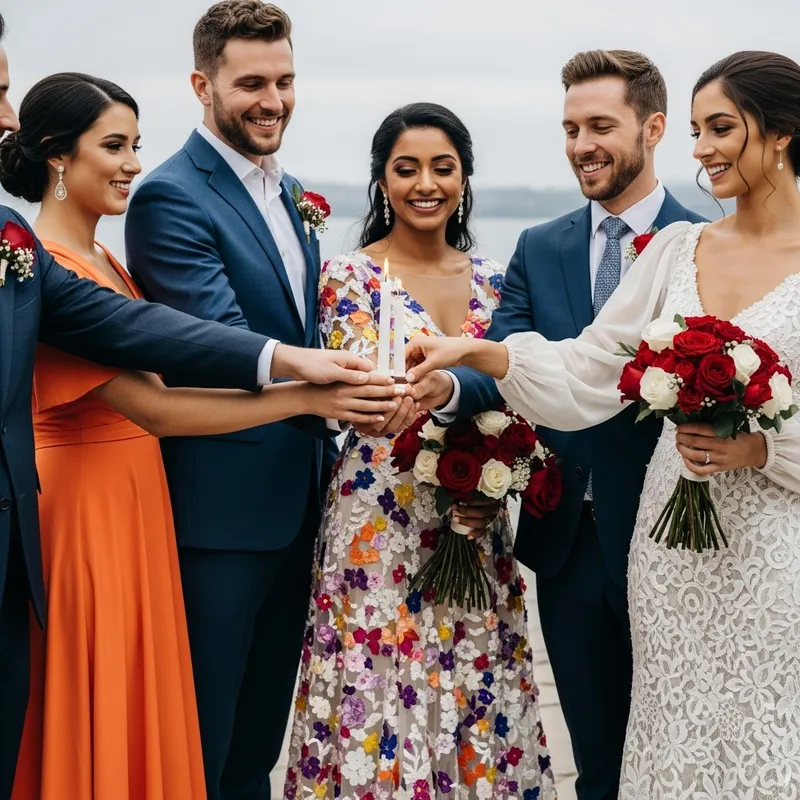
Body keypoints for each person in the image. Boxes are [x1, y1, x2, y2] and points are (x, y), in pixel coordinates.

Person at [0, 13, 389, 800]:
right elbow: (162, 399)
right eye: (114, 147)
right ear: (55, 159)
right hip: (94, 516)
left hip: (149, 507)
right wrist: (310, 388)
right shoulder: (50, 263)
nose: (133, 165)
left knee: (200, 737)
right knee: (115, 716)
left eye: (135, 146)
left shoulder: (107, 257)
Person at [404, 50, 800, 798]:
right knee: (665, 742)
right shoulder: (681, 250)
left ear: (781, 133)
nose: (703, 149)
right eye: (696, 130)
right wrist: (482, 352)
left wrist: (758, 446)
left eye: (721, 128)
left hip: (776, 558)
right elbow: (589, 371)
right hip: (668, 557)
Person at [124, 4, 414, 797]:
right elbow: (215, 342)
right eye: (251, 82)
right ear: (201, 84)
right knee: (206, 741)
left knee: (257, 746)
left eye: (285, 80)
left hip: (301, 509)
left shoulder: (291, 196)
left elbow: (307, 324)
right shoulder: (170, 198)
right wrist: (346, 392)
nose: (273, 100)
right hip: (219, 514)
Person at [283, 102, 557, 800]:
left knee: (474, 670)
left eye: (443, 167)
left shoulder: (500, 280)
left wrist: (497, 471)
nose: (425, 183)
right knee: (377, 678)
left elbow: (517, 388)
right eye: (406, 169)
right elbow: (354, 394)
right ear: (382, 180)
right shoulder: (346, 277)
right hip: (377, 514)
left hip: (474, 511)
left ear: (465, 177)